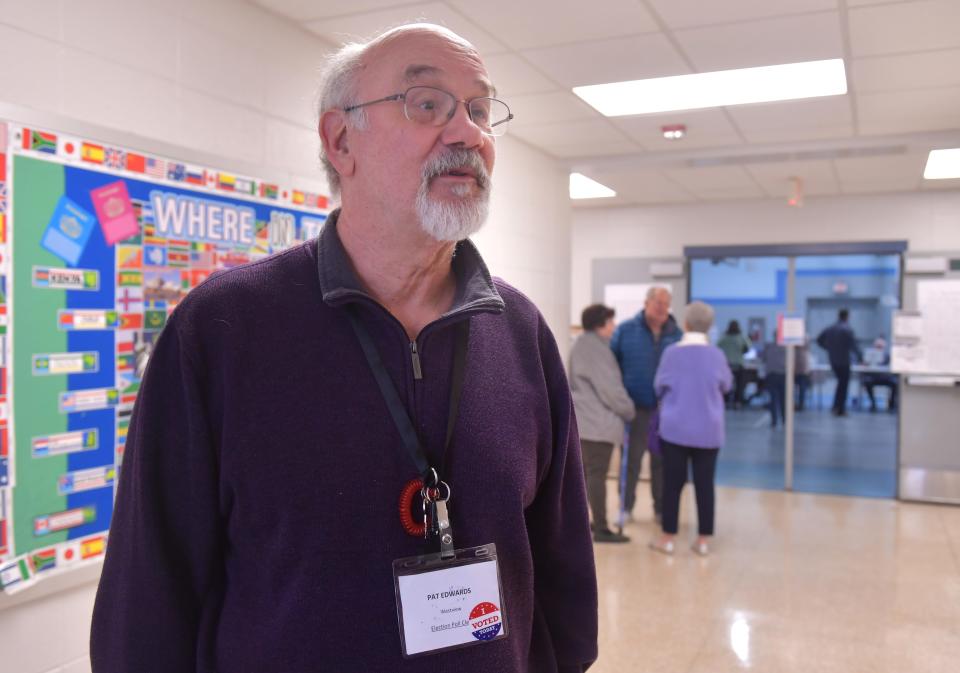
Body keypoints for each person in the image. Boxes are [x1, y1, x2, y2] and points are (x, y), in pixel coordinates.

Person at [90, 24, 598, 673]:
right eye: (428, 103)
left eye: (478, 109)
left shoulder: (520, 330)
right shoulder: (222, 329)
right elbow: (149, 597)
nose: (468, 133)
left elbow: (562, 572)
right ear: (340, 139)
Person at [649, 302, 732, 556]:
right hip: (709, 430)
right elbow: (726, 386)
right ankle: (703, 540)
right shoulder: (717, 355)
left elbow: (659, 387)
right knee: (705, 484)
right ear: (709, 326)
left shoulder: (671, 353)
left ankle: (668, 537)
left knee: (672, 483)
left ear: (686, 323)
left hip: (676, 429)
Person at [611, 286, 682, 523]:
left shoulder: (676, 334)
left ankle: (660, 509)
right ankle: (625, 508)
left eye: (666, 303)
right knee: (631, 460)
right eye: (658, 303)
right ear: (646, 303)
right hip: (636, 409)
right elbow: (613, 367)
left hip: (666, 410)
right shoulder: (625, 330)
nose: (663, 308)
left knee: (661, 463)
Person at [569, 304, 636, 543]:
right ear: (600, 324)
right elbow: (610, 389)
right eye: (610, 322)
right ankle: (601, 528)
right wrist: (628, 410)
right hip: (598, 424)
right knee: (596, 475)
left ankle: (584, 523)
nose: (613, 326)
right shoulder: (596, 349)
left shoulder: (581, 344)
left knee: (586, 475)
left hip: (585, 421)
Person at [817, 308, 863, 416]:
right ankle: (840, 408)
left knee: (840, 384)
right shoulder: (847, 329)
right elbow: (854, 346)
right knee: (843, 385)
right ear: (847, 317)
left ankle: (836, 406)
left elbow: (819, 340)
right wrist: (861, 358)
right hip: (844, 361)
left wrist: (829, 348)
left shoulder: (830, 329)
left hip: (833, 360)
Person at [717, 320, 751, 409]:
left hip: (727, 365)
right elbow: (747, 348)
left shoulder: (724, 338)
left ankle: (726, 401)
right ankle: (738, 402)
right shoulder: (741, 337)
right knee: (740, 385)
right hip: (738, 364)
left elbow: (717, 347)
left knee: (726, 384)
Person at [861, 336, 898, 412]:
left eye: (880, 346)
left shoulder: (887, 355)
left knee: (895, 383)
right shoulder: (869, 355)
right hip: (873, 377)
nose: (879, 348)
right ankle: (873, 403)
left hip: (885, 378)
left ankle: (891, 403)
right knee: (867, 382)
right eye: (877, 346)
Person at [762, 331, 787, 427]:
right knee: (783, 399)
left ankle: (774, 421)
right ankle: (785, 420)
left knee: (773, 399)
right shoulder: (787, 347)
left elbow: (763, 358)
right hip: (783, 375)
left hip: (772, 375)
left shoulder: (768, 346)